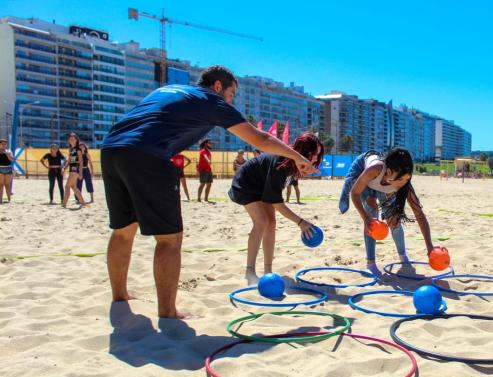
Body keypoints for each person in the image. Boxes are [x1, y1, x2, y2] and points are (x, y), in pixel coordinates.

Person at [100, 65, 314, 319]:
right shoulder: (210, 101)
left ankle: (120, 295)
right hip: (148, 155)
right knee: (169, 239)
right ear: (217, 86)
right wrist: (297, 156)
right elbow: (261, 139)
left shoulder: (168, 90)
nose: (231, 100)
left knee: (123, 230)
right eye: (232, 93)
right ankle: (167, 311)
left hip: (111, 150)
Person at [229, 132, 323, 284]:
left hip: (262, 186)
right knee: (261, 222)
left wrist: (306, 169)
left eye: (318, 155)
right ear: (304, 151)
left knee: (271, 224)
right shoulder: (281, 162)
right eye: (314, 154)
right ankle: (250, 272)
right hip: (246, 183)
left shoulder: (294, 163)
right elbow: (277, 202)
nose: (316, 158)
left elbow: (274, 197)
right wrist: (301, 222)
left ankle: (267, 271)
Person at [339, 147, 436, 276]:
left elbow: (420, 214)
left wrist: (430, 247)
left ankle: (403, 256)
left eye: (407, 179)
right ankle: (371, 264)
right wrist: (366, 218)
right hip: (363, 171)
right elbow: (355, 193)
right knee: (372, 216)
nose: (403, 183)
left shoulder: (403, 182)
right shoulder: (374, 169)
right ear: (389, 172)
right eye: (401, 179)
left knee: (394, 220)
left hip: (383, 183)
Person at [61, 133, 88, 208]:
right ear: (69, 140)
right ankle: (83, 203)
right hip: (71, 168)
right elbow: (69, 161)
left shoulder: (78, 149)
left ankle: (64, 204)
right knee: (74, 187)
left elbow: (81, 161)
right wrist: (64, 168)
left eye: (73, 138)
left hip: (75, 168)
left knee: (67, 186)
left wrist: (81, 173)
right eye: (70, 139)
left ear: (76, 140)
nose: (72, 140)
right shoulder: (71, 149)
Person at [0, 138, 14, 204]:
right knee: (1, 185)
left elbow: (11, 159)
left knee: (7, 185)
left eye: (5, 144)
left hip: (8, 168)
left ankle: (9, 200)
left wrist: (6, 153)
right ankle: (0, 200)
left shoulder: (8, 151)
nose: (3, 145)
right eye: (2, 144)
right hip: (0, 168)